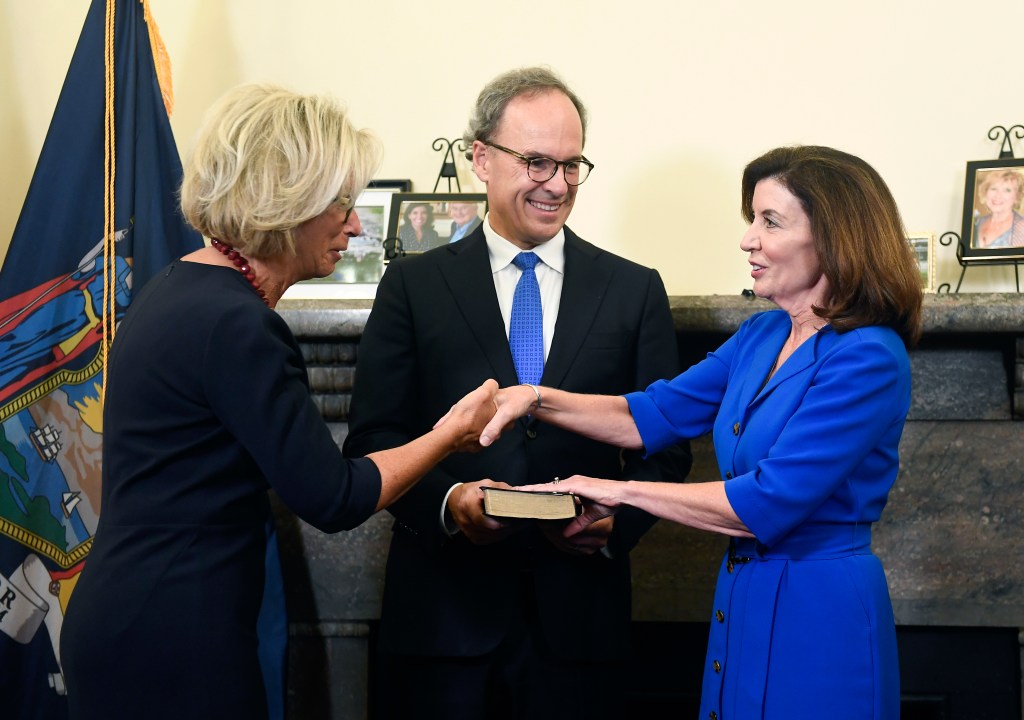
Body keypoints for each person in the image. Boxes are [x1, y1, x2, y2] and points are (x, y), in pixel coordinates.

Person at [59, 84, 498, 720]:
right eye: (341, 204)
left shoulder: (180, 287)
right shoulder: (237, 325)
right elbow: (335, 498)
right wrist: (448, 434)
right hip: (173, 636)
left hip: (134, 615)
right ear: (286, 199)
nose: (355, 223)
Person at [482, 145, 923, 719]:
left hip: (821, 613)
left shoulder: (869, 357)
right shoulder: (761, 336)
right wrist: (532, 399)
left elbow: (763, 503)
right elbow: (648, 415)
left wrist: (617, 490)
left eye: (770, 222)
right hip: (744, 594)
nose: (748, 240)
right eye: (751, 220)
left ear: (835, 238)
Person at [344, 66, 691, 720]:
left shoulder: (634, 289)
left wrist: (619, 523)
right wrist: (451, 501)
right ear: (480, 158)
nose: (556, 185)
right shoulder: (412, 288)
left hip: (581, 630)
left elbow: (664, 446)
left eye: (570, 165)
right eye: (535, 162)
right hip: (443, 626)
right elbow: (374, 439)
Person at [971, 168, 1024, 248]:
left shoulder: (1021, 227)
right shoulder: (977, 222)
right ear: (985, 191)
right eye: (993, 188)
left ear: (1017, 196)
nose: (998, 195)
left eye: (1007, 190)